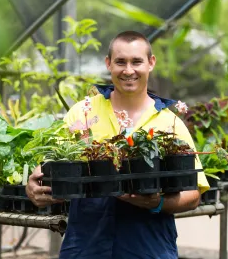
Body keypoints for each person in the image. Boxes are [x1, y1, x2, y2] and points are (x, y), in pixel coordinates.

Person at [26, 30, 209, 259]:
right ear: (108, 64)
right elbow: (51, 165)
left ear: (151, 63)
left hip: (148, 246)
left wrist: (158, 201)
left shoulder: (170, 123)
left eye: (137, 62)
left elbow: (193, 194)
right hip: (87, 244)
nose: (129, 70)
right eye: (120, 62)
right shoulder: (83, 113)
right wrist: (34, 184)